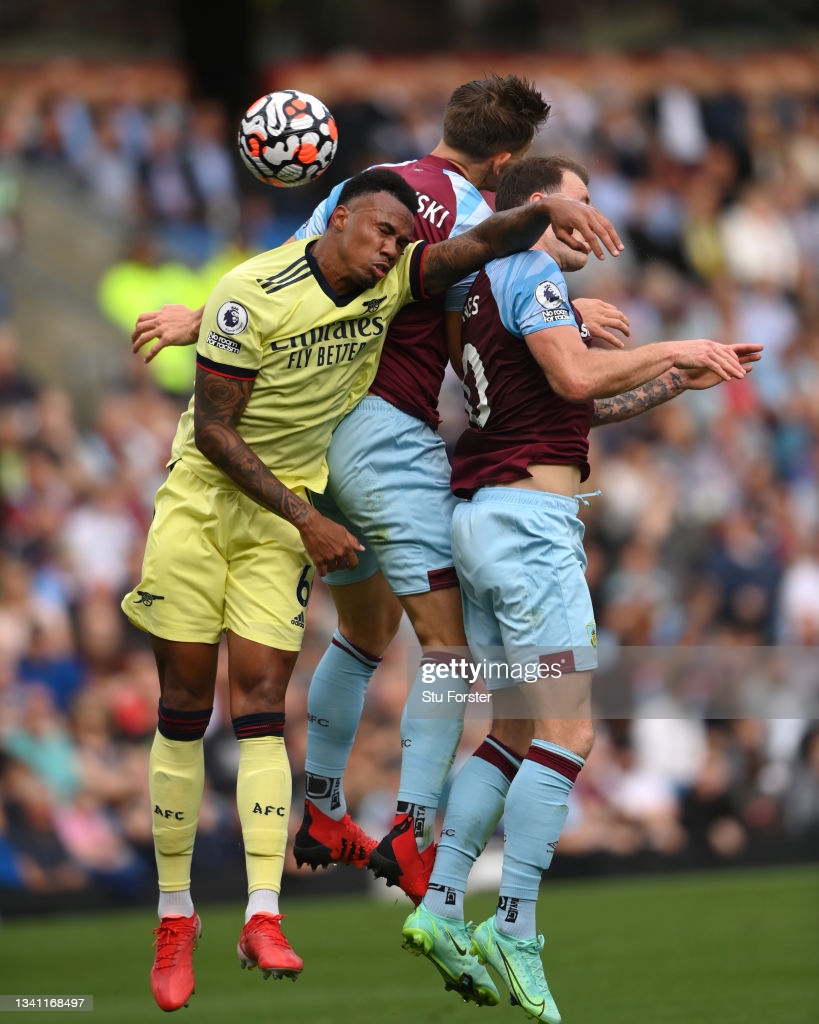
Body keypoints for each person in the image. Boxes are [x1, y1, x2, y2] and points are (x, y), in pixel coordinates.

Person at [122, 164, 624, 1013]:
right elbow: (221, 409)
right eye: (383, 232)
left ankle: (296, 858)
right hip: (340, 469)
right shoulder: (468, 258)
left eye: (399, 238)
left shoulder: (406, 258)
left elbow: (424, 259)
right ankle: (400, 841)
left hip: (323, 478)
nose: (394, 246)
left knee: (339, 650)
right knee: (454, 660)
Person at [399, 155, 762, 1020]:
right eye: (579, 199)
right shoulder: (524, 265)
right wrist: (673, 344)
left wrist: (672, 381)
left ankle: (443, 903)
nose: (591, 216)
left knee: (514, 730)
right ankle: (513, 924)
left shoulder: (476, 281)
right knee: (569, 735)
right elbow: (573, 379)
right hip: (528, 526)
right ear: (538, 204)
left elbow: (561, 409)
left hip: (483, 515)